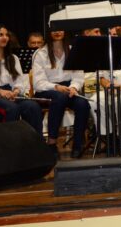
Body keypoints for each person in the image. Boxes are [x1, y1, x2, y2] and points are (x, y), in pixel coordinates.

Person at [32, 30, 90, 158]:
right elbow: (38, 83)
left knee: (82, 103)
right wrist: (56, 87)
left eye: (60, 29)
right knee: (59, 98)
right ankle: (52, 143)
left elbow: (78, 77)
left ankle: (78, 144)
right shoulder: (40, 53)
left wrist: (74, 87)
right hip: (47, 89)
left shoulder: (72, 50)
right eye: (54, 29)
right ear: (49, 31)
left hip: (68, 88)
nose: (57, 32)